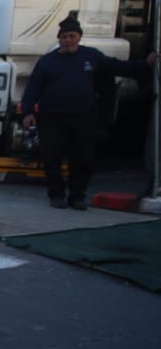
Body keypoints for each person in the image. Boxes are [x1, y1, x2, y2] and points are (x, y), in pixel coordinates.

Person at [21, 16, 156, 209]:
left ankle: (77, 196)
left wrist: (145, 64)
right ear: (59, 39)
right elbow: (33, 88)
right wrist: (27, 112)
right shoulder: (47, 62)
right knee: (51, 159)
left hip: (83, 117)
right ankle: (56, 194)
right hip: (52, 117)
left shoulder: (91, 56)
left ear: (79, 37)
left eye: (71, 36)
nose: (67, 40)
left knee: (83, 159)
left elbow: (117, 66)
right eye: (64, 37)